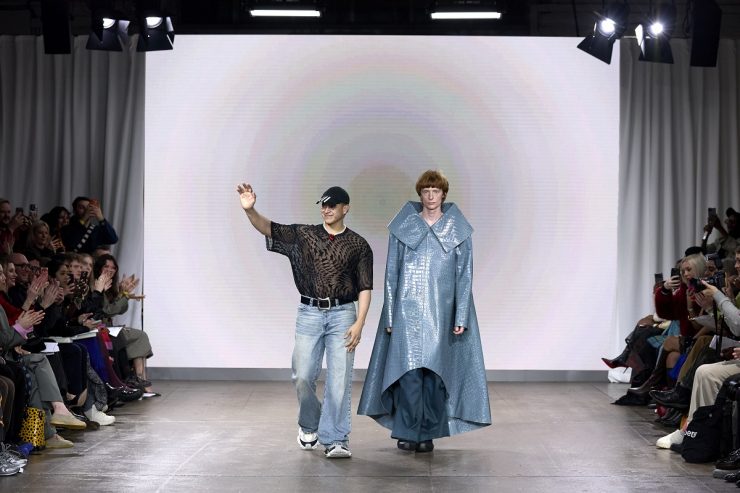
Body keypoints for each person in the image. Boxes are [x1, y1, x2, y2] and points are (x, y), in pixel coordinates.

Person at [358, 170, 491, 453]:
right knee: (407, 373)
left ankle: (427, 434)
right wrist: (390, 315)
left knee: (434, 376)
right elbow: (391, 273)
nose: (431, 196)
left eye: (435, 191)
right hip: (406, 310)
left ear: (444, 194)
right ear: (420, 194)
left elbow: (465, 276)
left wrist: (461, 315)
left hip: (442, 312)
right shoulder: (403, 227)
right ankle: (409, 432)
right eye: (426, 191)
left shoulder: (458, 230)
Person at [237, 182, 373, 459]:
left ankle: (337, 439)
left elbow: (365, 287)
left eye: (332, 205)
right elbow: (268, 228)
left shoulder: (359, 245)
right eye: (323, 205)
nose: (327, 209)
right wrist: (250, 210)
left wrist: (360, 322)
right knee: (302, 375)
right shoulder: (304, 235)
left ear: (345, 208)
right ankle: (310, 424)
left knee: (339, 380)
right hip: (309, 313)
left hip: (343, 315)